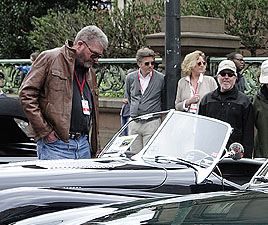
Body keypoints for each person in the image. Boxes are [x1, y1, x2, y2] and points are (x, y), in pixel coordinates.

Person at [19, 25, 106, 160]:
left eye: (99, 56)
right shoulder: (51, 58)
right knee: (56, 182)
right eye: (94, 54)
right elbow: (26, 93)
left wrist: (95, 146)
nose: (96, 60)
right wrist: (45, 131)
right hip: (56, 145)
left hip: (83, 144)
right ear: (80, 44)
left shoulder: (90, 73)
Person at [199, 60, 255, 157]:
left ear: (235, 77)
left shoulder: (244, 101)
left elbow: (248, 134)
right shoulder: (206, 100)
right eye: (223, 74)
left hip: (235, 157)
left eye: (230, 74)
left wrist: (246, 159)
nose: (226, 77)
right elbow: (200, 131)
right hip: (210, 156)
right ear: (217, 76)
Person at [124, 47, 166, 148]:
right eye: (147, 63)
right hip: (135, 121)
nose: (150, 66)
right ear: (139, 64)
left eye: (152, 63)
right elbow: (129, 96)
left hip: (152, 122)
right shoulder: (131, 77)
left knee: (148, 154)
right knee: (133, 155)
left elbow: (163, 99)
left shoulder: (160, 78)